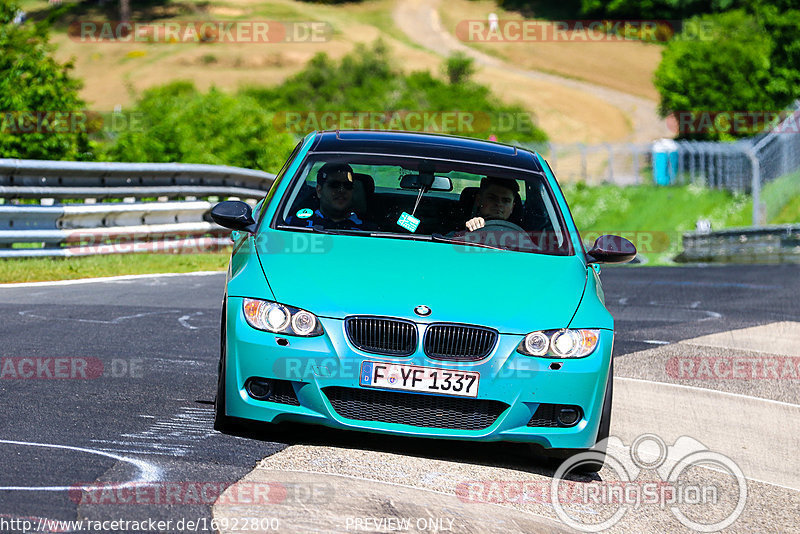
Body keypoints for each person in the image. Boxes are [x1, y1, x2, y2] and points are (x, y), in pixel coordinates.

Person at [286, 163, 375, 230]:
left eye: (347, 185)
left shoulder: (369, 231)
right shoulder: (293, 224)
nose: (341, 190)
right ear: (319, 190)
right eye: (334, 185)